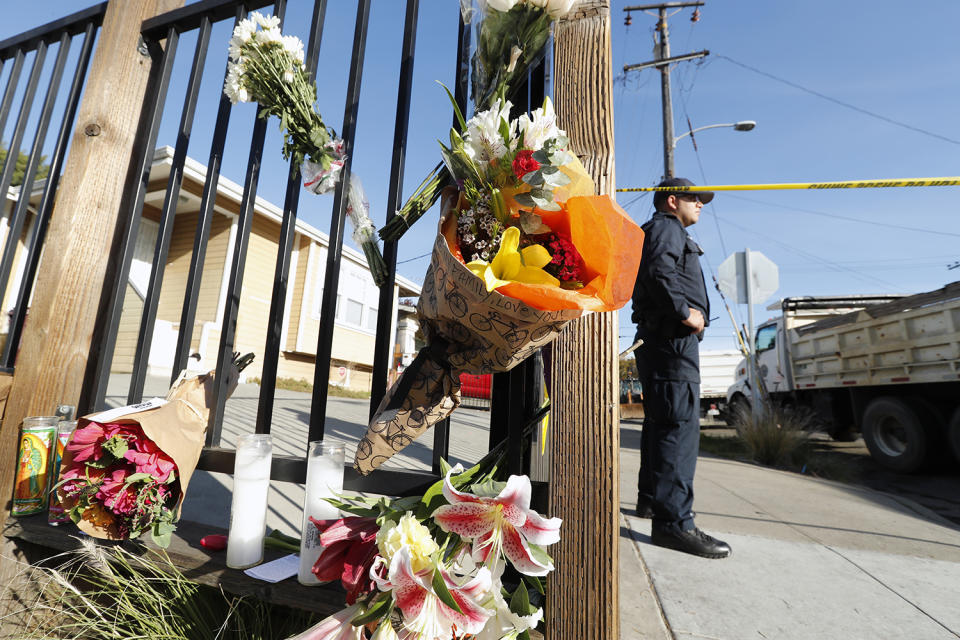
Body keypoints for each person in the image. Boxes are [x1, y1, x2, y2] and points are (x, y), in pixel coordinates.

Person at [630, 177, 731, 559]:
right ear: (672, 201)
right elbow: (659, 272)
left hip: (664, 341)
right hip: (672, 341)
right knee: (678, 427)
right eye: (694, 199)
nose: (700, 204)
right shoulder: (667, 228)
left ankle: (653, 503)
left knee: (663, 424)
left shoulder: (664, 230)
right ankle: (675, 524)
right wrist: (686, 313)